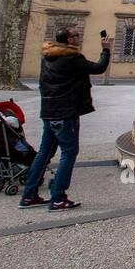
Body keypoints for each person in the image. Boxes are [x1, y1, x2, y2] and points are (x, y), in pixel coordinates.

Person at [20, 26, 111, 211]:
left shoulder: (48, 56)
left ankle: (29, 195)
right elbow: (98, 68)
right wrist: (106, 49)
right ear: (69, 40)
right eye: (77, 35)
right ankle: (58, 197)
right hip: (66, 112)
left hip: (49, 111)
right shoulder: (72, 58)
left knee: (43, 153)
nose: (79, 37)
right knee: (68, 153)